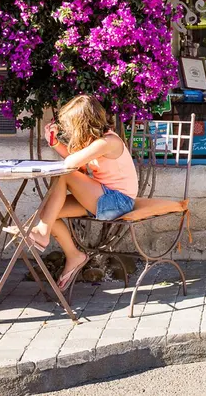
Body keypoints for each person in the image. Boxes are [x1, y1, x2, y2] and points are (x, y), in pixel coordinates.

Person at [24, 95, 138, 292]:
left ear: (82, 123)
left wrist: (62, 147)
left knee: (64, 175)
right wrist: (54, 143)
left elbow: (71, 164)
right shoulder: (95, 142)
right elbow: (79, 165)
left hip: (118, 201)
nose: (68, 129)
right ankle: (74, 255)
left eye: (70, 124)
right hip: (103, 197)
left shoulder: (107, 142)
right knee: (49, 213)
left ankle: (42, 233)